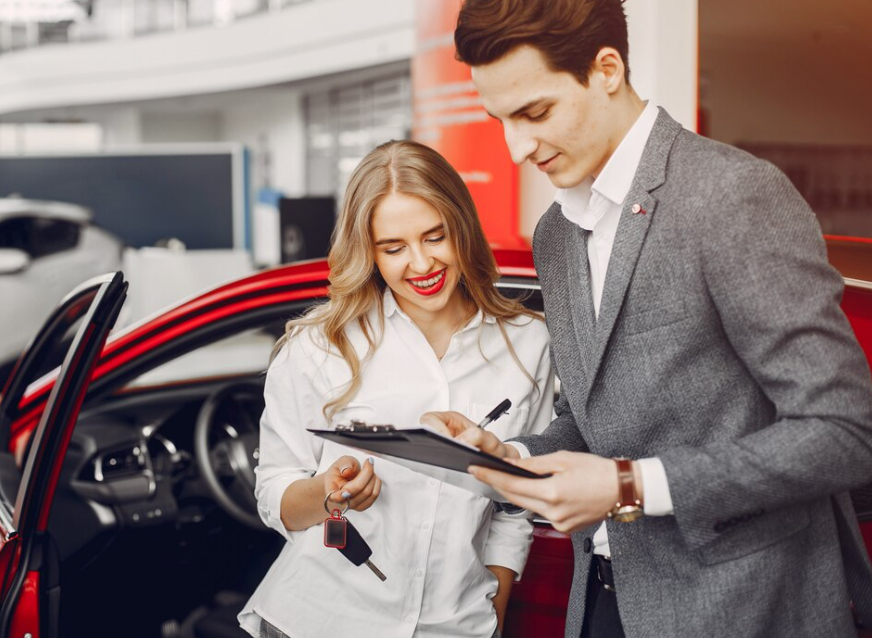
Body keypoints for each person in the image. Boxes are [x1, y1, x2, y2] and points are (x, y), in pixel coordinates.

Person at [421, 1, 872, 637]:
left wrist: (628, 487)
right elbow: (593, 421)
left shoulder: (730, 195)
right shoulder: (554, 233)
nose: (516, 147)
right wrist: (511, 455)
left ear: (606, 69)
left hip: (743, 608)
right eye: (500, 120)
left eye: (535, 112)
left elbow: (847, 432)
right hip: (606, 602)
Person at [237, 139, 553, 638]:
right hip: (320, 621)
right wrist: (326, 492)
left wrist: (496, 600)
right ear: (369, 252)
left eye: (435, 237)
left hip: (458, 626)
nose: (422, 265)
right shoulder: (319, 346)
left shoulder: (528, 342)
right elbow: (275, 495)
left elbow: (516, 500)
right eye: (394, 248)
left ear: (462, 229)